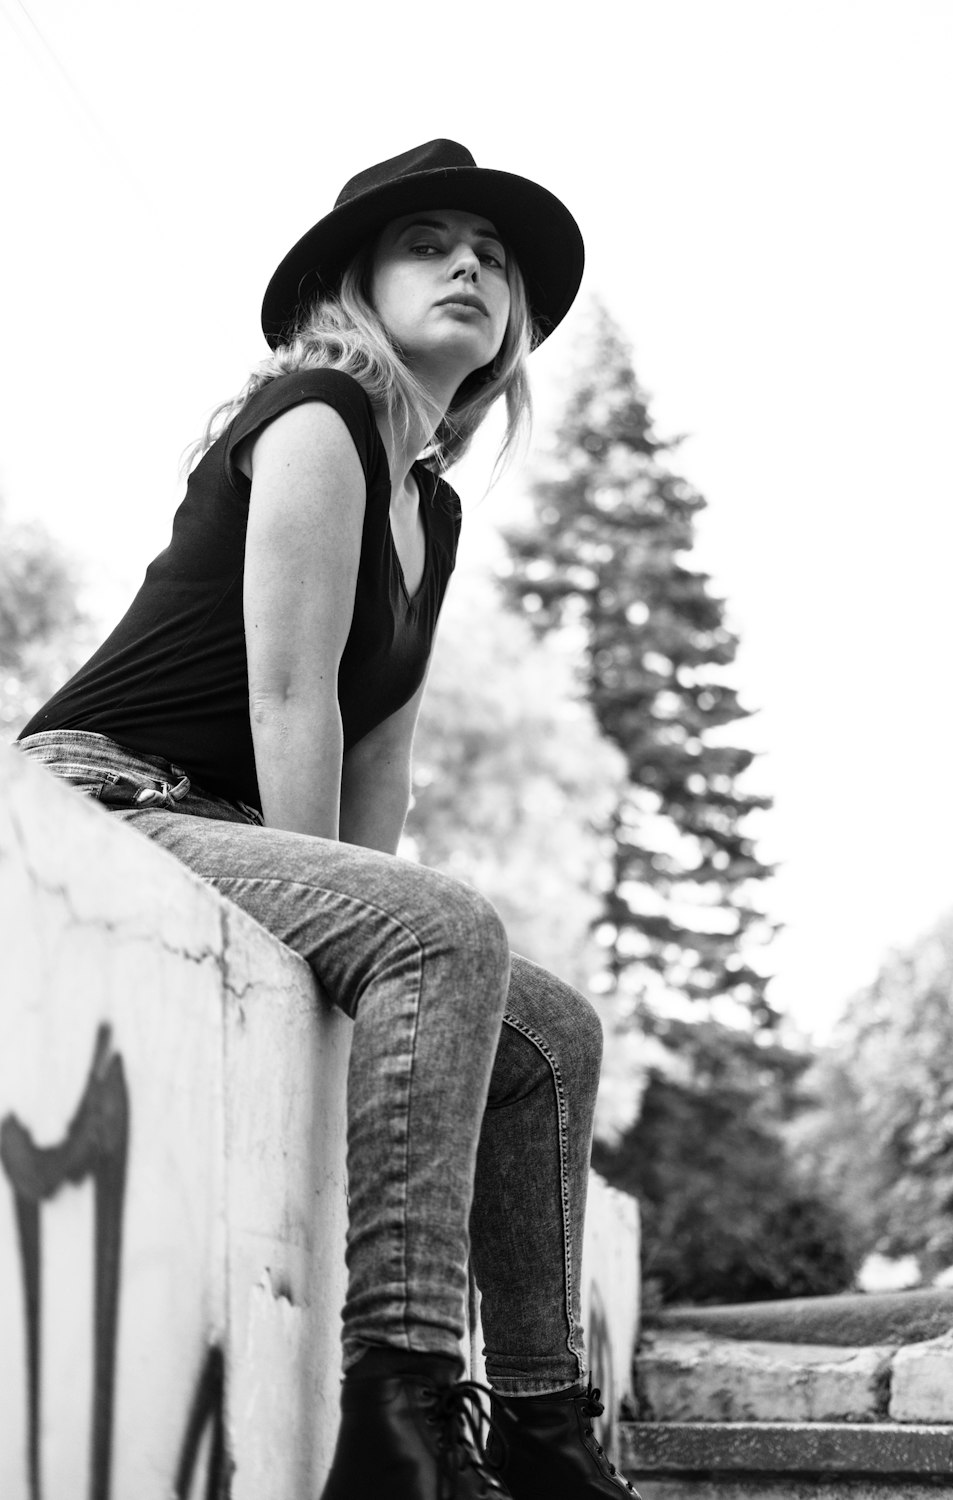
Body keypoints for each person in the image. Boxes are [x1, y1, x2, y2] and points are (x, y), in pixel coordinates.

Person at [16, 139, 640, 1500]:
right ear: (355, 287)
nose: (471, 264)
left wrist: (398, 947)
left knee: (549, 1036)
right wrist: (375, 944)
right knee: (443, 931)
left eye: (493, 256)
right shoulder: (318, 414)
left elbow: (379, 769)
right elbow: (289, 693)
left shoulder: (436, 508)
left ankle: (542, 1429)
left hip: (224, 824)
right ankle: (400, 1404)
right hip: (108, 794)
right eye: (431, 243)